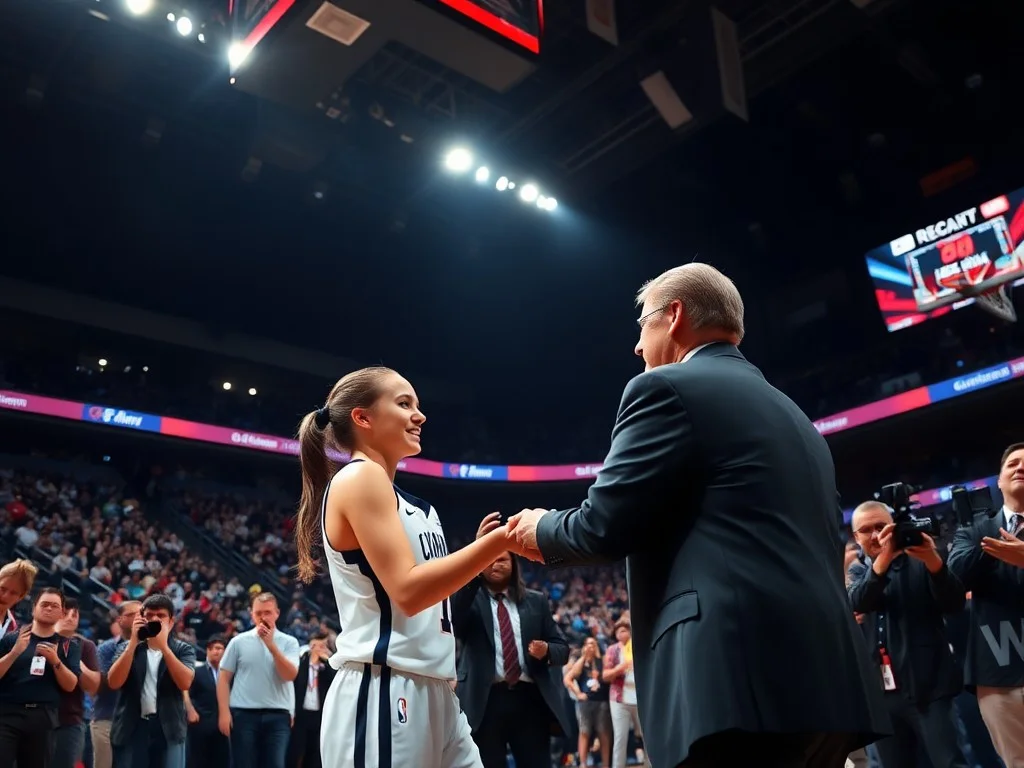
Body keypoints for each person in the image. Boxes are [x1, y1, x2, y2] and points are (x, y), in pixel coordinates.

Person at [509, 263, 890, 768]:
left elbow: (601, 527)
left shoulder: (664, 388)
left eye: (642, 325)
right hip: (829, 681)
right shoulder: (793, 413)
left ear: (674, 316)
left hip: (737, 679)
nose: (637, 347)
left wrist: (540, 527)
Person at [293, 366, 533, 768]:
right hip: (384, 687)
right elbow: (408, 591)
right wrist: (501, 542)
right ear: (363, 417)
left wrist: (482, 550)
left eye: (417, 405)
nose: (419, 415)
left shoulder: (419, 508)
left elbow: (433, 597)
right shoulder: (360, 476)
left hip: (435, 688)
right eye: (404, 404)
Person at [847, 501, 968, 768]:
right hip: (882, 695)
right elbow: (858, 600)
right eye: (866, 530)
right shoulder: (857, 571)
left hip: (930, 688)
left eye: (881, 526)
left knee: (949, 763)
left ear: (894, 527)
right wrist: (884, 559)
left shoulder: (921, 559)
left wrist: (933, 561)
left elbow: (954, 604)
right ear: (856, 537)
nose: (875, 535)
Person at [452, 517, 571, 768]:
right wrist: (476, 557)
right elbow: (454, 620)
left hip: (529, 701)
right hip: (484, 701)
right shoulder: (471, 599)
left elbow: (563, 650)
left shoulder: (536, 601)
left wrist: (547, 650)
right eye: (489, 560)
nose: (495, 564)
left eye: (502, 560)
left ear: (513, 565)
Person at [948, 442, 1024, 766]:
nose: (1021, 467)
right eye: (1013, 464)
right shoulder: (974, 530)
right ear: (1000, 480)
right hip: (996, 669)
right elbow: (955, 578)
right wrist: (995, 544)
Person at [107, 594, 196, 768]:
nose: (154, 620)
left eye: (161, 616)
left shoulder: (182, 649)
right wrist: (133, 642)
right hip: (132, 727)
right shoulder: (126, 647)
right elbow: (114, 682)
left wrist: (164, 647)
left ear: (171, 622)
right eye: (149, 616)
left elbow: (185, 683)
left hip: (169, 727)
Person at [0, 587, 82, 768]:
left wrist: (56, 662)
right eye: (44, 604)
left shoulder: (69, 645)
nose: (49, 609)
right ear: (34, 608)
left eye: (54, 606)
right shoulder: (12, 639)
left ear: (62, 613)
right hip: (7, 714)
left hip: (43, 717)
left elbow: (70, 685)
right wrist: (15, 652)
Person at [216, 592, 300, 768]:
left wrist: (271, 646)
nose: (263, 617)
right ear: (251, 614)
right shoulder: (238, 642)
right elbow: (223, 678)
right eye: (258, 613)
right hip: (243, 714)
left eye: (267, 612)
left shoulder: (289, 642)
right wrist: (224, 712)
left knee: (275, 764)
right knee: (243, 764)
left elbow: (289, 675)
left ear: (277, 613)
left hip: (278, 715)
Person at [53, 597, 102, 768]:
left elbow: (93, 687)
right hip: (32, 719)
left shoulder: (85, 646)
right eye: (65, 613)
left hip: (69, 721)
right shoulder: (32, 639)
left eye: (75, 614)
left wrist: (75, 659)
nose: (70, 618)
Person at [93, 602, 141, 768]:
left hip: (138, 722)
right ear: (119, 620)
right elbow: (109, 683)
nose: (139, 618)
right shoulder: (106, 648)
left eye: (142, 614)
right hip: (108, 718)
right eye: (133, 615)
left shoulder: (152, 647)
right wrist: (131, 645)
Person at [286, 632, 336, 768]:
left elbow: (336, 681)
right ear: (311, 646)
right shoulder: (301, 663)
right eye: (318, 646)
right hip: (300, 714)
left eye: (323, 646)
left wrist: (327, 661)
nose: (321, 649)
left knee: (315, 752)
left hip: (319, 715)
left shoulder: (327, 667)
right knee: (295, 751)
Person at [564, 637, 612, 768]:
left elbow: (607, 676)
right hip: (585, 702)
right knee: (584, 732)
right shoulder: (580, 661)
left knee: (604, 733)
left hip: (602, 701)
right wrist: (578, 694)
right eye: (588, 644)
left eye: (593, 644)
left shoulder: (602, 660)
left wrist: (597, 657)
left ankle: (606, 765)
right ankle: (583, 764)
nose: (591, 646)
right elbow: (568, 679)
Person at [603, 619, 645, 768]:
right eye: (618, 631)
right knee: (620, 737)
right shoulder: (612, 650)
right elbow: (605, 676)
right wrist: (621, 667)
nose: (621, 634)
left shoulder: (639, 646)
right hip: (619, 699)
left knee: (646, 736)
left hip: (640, 699)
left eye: (624, 630)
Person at [184, 634, 229, 768]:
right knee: (198, 762)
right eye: (212, 648)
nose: (216, 651)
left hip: (223, 725)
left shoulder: (229, 674)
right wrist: (190, 710)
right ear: (207, 651)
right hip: (200, 724)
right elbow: (185, 691)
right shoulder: (197, 672)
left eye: (219, 648)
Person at [0, 559, 38, 641]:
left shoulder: (13, 628)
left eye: (13, 593)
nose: (5, 596)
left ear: (20, 597)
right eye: (2, 589)